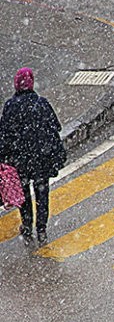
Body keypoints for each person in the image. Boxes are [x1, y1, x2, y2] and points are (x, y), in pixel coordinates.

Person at [0, 68, 66, 246]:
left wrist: (5, 157)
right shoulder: (41, 103)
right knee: (41, 192)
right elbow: (56, 127)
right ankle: (42, 229)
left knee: (24, 194)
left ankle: (27, 225)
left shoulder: (10, 107)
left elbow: (4, 136)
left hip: (19, 159)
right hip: (41, 158)